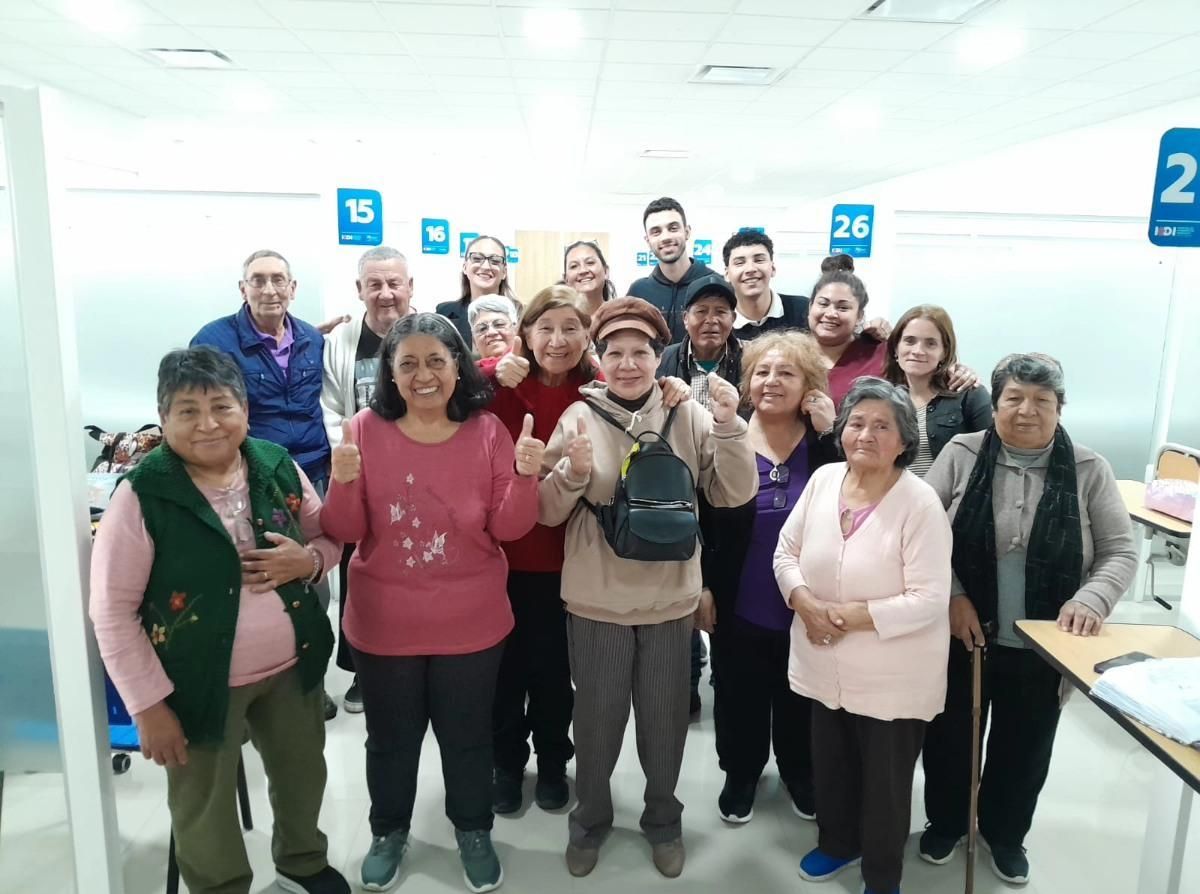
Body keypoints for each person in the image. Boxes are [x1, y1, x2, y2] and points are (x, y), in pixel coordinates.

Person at [90, 346, 347, 894]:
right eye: (188, 411)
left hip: (293, 668)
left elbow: (330, 535)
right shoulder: (143, 495)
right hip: (195, 684)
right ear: (163, 419)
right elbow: (111, 611)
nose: (208, 424)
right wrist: (148, 706)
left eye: (221, 407)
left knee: (303, 775)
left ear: (245, 410)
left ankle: (302, 863)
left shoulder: (276, 464)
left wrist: (309, 562)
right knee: (203, 803)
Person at [320, 313, 542, 893]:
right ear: (390, 374)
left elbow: (510, 528)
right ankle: (388, 831)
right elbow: (345, 530)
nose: (424, 375)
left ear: (458, 367)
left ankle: (473, 829)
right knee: (390, 742)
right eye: (409, 363)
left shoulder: (487, 431)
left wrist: (525, 477)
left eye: (437, 361)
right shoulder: (364, 429)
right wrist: (342, 480)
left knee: (468, 739)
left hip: (471, 623)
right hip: (384, 623)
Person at [539, 297, 757, 880]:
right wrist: (571, 473)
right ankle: (589, 822)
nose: (628, 363)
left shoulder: (688, 415)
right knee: (597, 723)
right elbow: (546, 512)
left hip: (669, 600)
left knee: (664, 724)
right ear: (598, 358)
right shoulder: (578, 416)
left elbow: (732, 493)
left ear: (660, 356)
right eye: (615, 353)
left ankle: (663, 822)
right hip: (598, 600)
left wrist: (731, 425)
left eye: (641, 352)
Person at [919, 353, 1137, 886]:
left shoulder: (1088, 468)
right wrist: (952, 595)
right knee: (950, 737)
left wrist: (1092, 599)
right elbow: (920, 533)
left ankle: (1005, 834)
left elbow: (1119, 549)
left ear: (1060, 408)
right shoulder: (962, 452)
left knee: (1025, 746)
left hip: (1045, 643)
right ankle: (946, 822)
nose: (1026, 410)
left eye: (1042, 400)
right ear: (994, 404)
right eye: (1014, 398)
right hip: (963, 633)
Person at [773, 377, 952, 894]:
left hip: (892, 673)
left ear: (904, 441)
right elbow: (785, 552)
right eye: (856, 423)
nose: (866, 435)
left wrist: (849, 616)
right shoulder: (824, 480)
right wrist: (803, 601)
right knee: (832, 763)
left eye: (882, 427)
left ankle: (882, 873)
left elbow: (929, 598)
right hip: (823, 657)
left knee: (885, 781)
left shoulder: (919, 502)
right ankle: (838, 843)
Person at [192, 248, 337, 719]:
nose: (269, 289)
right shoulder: (213, 341)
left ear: (293, 288)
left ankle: (308, 683)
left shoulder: (311, 338)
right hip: (251, 478)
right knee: (254, 579)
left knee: (313, 578)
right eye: (258, 280)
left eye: (278, 279)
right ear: (243, 289)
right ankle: (247, 689)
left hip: (312, 472)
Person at [708, 331, 838, 825]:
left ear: (809, 385)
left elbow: (853, 503)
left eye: (786, 372)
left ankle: (799, 771)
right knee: (738, 692)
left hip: (808, 598)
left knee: (800, 692)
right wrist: (703, 587)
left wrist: (830, 434)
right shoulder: (727, 435)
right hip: (740, 592)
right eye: (762, 371)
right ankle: (741, 773)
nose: (772, 381)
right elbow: (703, 518)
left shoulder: (826, 442)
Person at [321, 245, 414, 713]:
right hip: (361, 476)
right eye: (374, 284)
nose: (385, 293)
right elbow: (330, 406)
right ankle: (362, 670)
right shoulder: (341, 341)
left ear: (410, 287)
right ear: (359, 290)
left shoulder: (432, 330)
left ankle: (416, 661)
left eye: (394, 283)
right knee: (359, 572)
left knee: (414, 567)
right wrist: (349, 456)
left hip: (421, 475)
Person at [655, 272, 742, 719]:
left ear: (733, 319)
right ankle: (686, 677)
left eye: (721, 312)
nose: (711, 320)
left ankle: (725, 675)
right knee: (680, 582)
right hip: (678, 484)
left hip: (730, 486)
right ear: (685, 318)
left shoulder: (748, 360)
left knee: (724, 583)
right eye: (701, 311)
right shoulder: (664, 360)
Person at [808, 264, 974, 408]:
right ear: (810, 307)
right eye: (823, 303)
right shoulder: (794, 355)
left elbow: (925, 369)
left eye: (843, 308)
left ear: (859, 316)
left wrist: (958, 372)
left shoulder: (881, 354)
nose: (831, 313)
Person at [882, 304, 992, 478]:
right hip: (894, 494)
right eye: (910, 341)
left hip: (950, 495)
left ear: (944, 352)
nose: (918, 351)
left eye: (930, 344)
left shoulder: (970, 396)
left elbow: (992, 455)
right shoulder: (882, 399)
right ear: (896, 347)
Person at [628, 197, 722, 343]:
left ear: (687, 232)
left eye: (673, 228)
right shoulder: (638, 292)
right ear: (648, 240)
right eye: (656, 232)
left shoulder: (715, 284)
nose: (665, 237)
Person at [722, 231, 809, 340]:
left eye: (759, 260)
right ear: (727, 274)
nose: (750, 269)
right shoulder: (720, 322)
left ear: (773, 268)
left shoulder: (804, 310)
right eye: (740, 263)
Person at [437, 235, 518, 345]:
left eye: (495, 261)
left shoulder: (521, 315)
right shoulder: (444, 314)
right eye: (477, 259)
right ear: (465, 267)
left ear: (504, 272)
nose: (485, 266)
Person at [563, 240, 616, 314]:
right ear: (566, 279)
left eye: (590, 262)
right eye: (574, 266)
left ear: (606, 271)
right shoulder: (558, 318)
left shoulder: (621, 315)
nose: (583, 270)